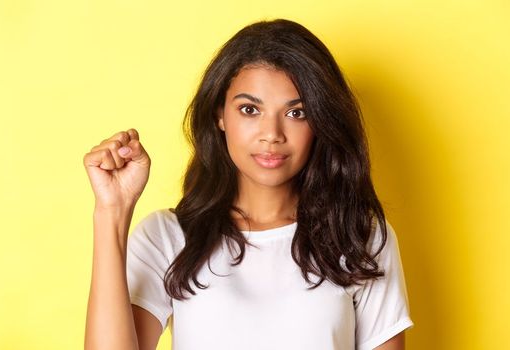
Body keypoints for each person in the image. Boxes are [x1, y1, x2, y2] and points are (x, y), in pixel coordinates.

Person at [82, 19, 413, 350]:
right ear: (219, 116)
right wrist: (112, 211)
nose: (272, 134)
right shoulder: (169, 237)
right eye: (250, 109)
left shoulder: (359, 236)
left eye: (297, 113)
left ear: (321, 121)